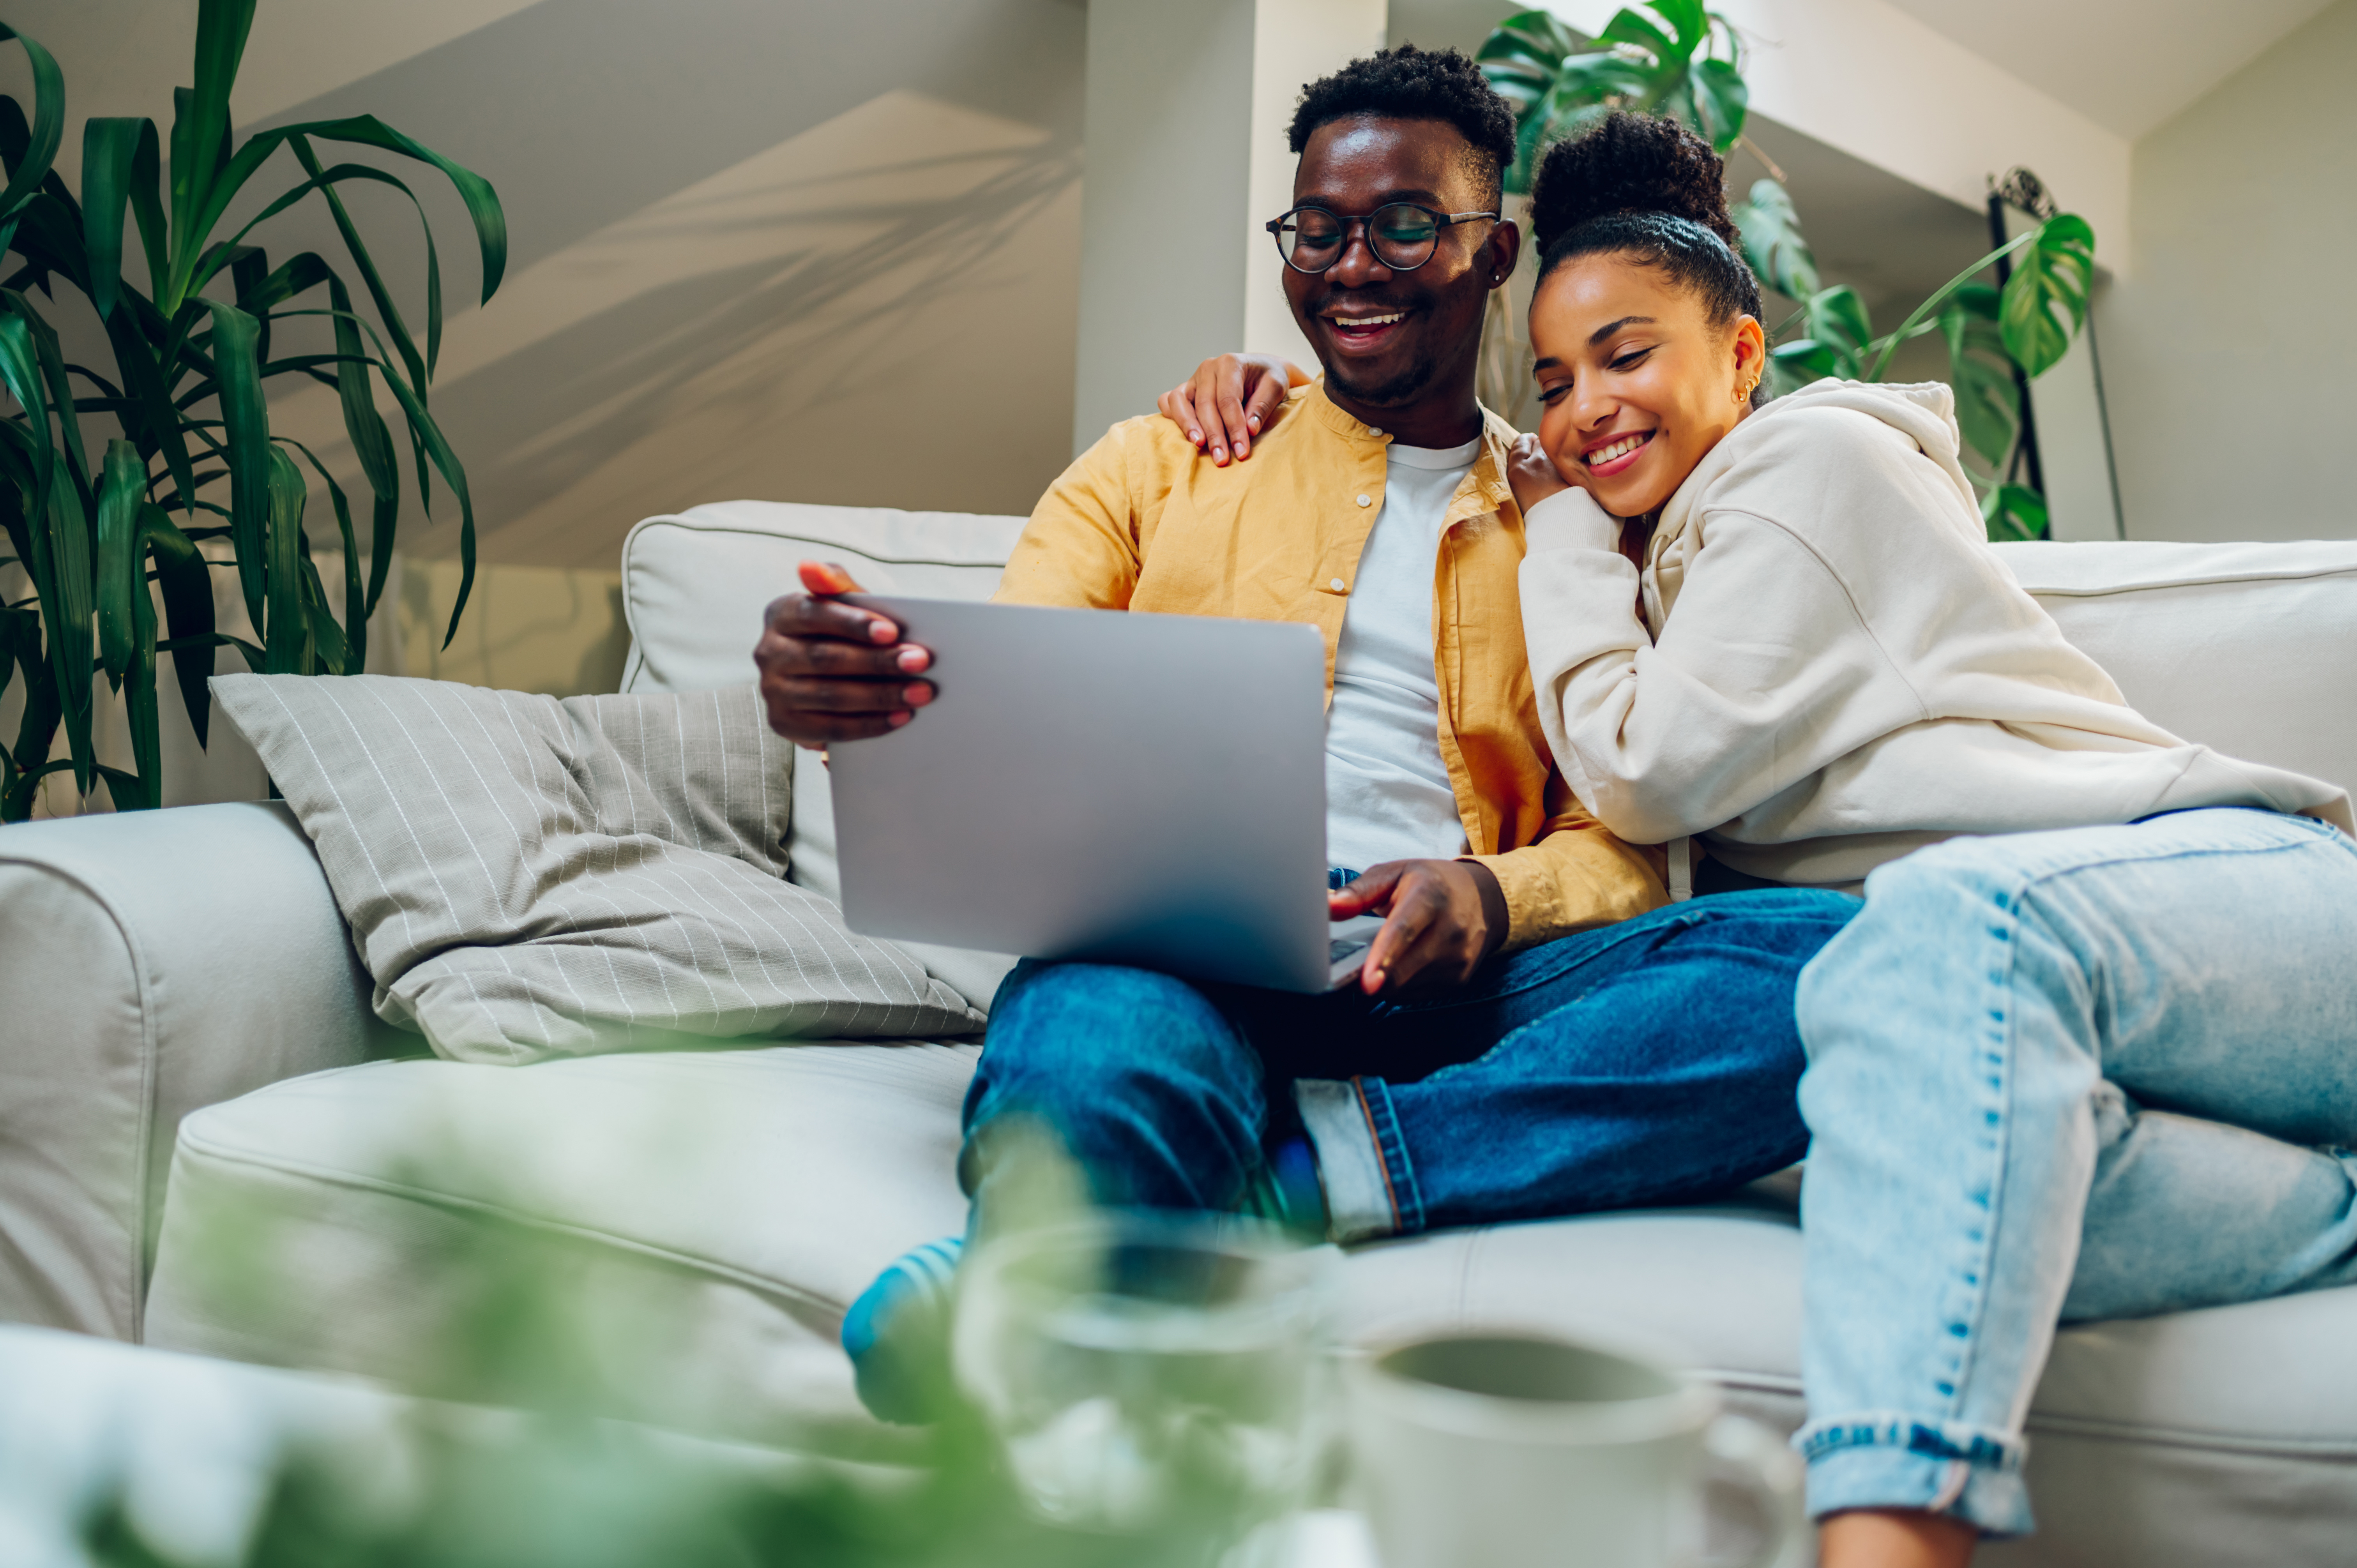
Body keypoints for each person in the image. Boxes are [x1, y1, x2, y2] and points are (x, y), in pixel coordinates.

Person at [754, 51, 1859, 1425]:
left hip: (1470, 1000)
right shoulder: (1163, 463)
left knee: (1832, 963)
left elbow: (1633, 843)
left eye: (1406, 223)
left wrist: (1492, 895)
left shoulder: (1580, 517)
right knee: (1095, 1038)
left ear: (1493, 251)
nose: (1353, 264)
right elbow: (991, 697)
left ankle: (1275, 1185)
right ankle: (1086, 1255)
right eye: (1319, 228)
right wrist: (846, 694)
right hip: (1184, 966)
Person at [1498, 113, 2357, 1567]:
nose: (1587, 407)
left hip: (2250, 909)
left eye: (1627, 354)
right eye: (1555, 380)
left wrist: (1562, 544)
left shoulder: (1814, 464)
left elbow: (1646, 771)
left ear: (1744, 354)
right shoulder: (1674, 571)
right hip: (2067, 1009)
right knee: (1904, 1150)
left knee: (1944, 921)